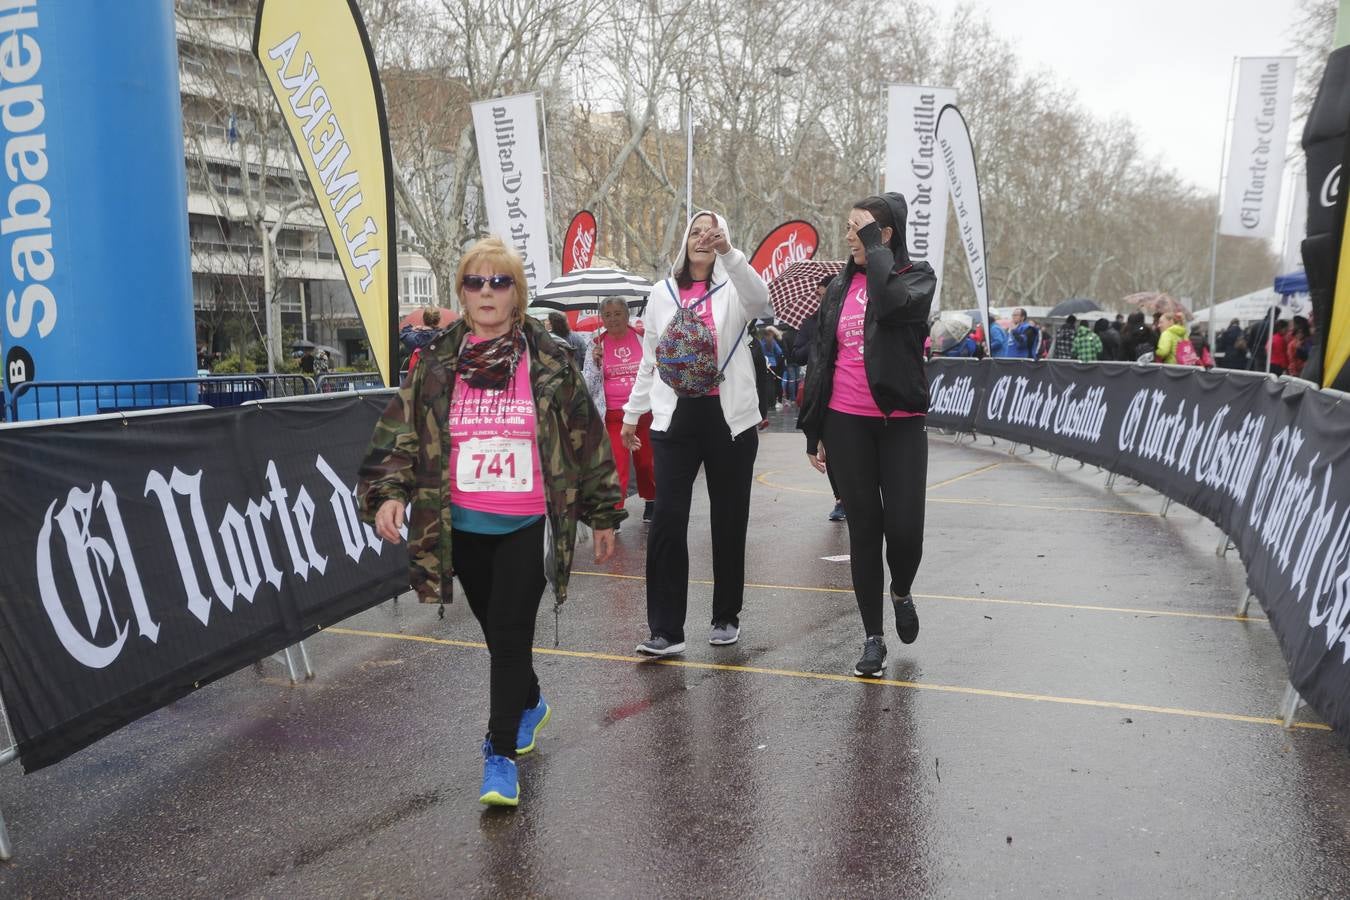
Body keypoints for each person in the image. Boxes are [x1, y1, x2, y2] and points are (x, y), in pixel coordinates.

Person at [357, 236, 624, 808]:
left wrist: (602, 513)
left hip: (528, 522)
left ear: (516, 295)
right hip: (458, 523)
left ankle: (499, 754)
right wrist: (387, 492)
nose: (485, 292)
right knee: (497, 634)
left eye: (498, 282)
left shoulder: (549, 359)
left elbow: (586, 438)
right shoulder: (433, 361)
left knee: (509, 634)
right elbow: (398, 433)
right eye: (475, 282)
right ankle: (529, 701)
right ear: (461, 291)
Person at [621, 210, 772, 657]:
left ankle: (726, 615)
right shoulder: (660, 293)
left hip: (728, 420)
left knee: (728, 520)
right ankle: (666, 630)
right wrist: (633, 414)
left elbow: (760, 296)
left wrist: (729, 251)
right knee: (667, 519)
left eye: (713, 231)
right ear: (684, 238)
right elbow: (650, 358)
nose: (703, 237)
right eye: (696, 230)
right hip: (675, 420)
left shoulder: (734, 291)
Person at [798, 192, 934, 677]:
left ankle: (901, 590)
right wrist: (815, 430)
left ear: (885, 235)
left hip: (899, 423)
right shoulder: (838, 287)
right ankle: (873, 637)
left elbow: (894, 306)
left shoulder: (916, 278)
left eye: (860, 227)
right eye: (849, 226)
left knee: (905, 531)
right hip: (845, 421)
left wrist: (877, 256)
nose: (849, 234)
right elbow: (821, 358)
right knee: (864, 531)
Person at [584, 296, 656, 525]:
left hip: (645, 413)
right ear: (602, 318)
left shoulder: (642, 338)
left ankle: (652, 500)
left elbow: (657, 372)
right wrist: (595, 365)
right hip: (614, 417)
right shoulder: (596, 344)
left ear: (627, 315)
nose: (613, 319)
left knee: (647, 463)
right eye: (607, 315)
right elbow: (588, 384)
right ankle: (615, 511)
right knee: (617, 464)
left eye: (618, 313)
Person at [792, 275, 846, 521]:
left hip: (849, 392)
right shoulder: (810, 323)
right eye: (818, 296)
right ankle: (840, 499)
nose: (822, 300)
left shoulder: (851, 316)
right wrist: (818, 340)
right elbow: (797, 355)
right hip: (821, 393)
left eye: (825, 295)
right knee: (832, 450)